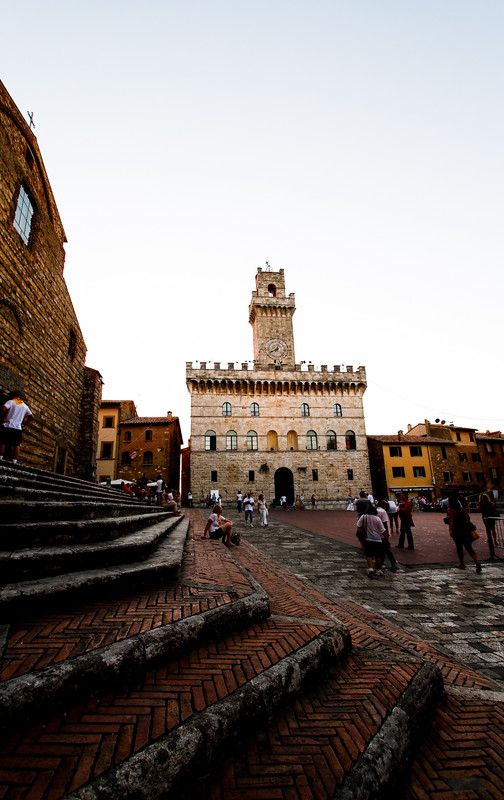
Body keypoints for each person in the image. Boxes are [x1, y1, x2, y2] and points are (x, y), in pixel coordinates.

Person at [447, 494, 481, 572]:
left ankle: (462, 563)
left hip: (457, 529)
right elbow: (468, 517)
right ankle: (477, 562)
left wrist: (450, 530)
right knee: (469, 547)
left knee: (459, 547)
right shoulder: (462, 509)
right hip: (465, 529)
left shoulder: (451, 510)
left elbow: (451, 521)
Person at [0, 391, 33, 464]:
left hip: (8, 425)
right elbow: (31, 416)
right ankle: (14, 461)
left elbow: (3, 409)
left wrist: (2, 419)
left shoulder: (11, 402)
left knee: (3, 442)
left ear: (12, 396)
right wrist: (24, 424)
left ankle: (0, 458)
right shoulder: (24, 406)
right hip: (18, 428)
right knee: (16, 445)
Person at [356, 503, 386, 578]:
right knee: (378, 555)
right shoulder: (377, 519)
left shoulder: (364, 517)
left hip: (367, 539)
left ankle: (370, 568)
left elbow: (358, 525)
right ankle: (378, 570)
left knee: (368, 554)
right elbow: (383, 530)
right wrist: (387, 539)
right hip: (377, 539)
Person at [377, 500, 398, 570]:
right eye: (386, 504)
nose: (387, 506)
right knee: (386, 548)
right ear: (382, 504)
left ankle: (381, 564)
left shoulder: (375, 511)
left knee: (382, 549)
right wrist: (387, 534)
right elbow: (385, 523)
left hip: (377, 533)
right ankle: (393, 562)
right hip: (383, 533)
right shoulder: (383, 512)